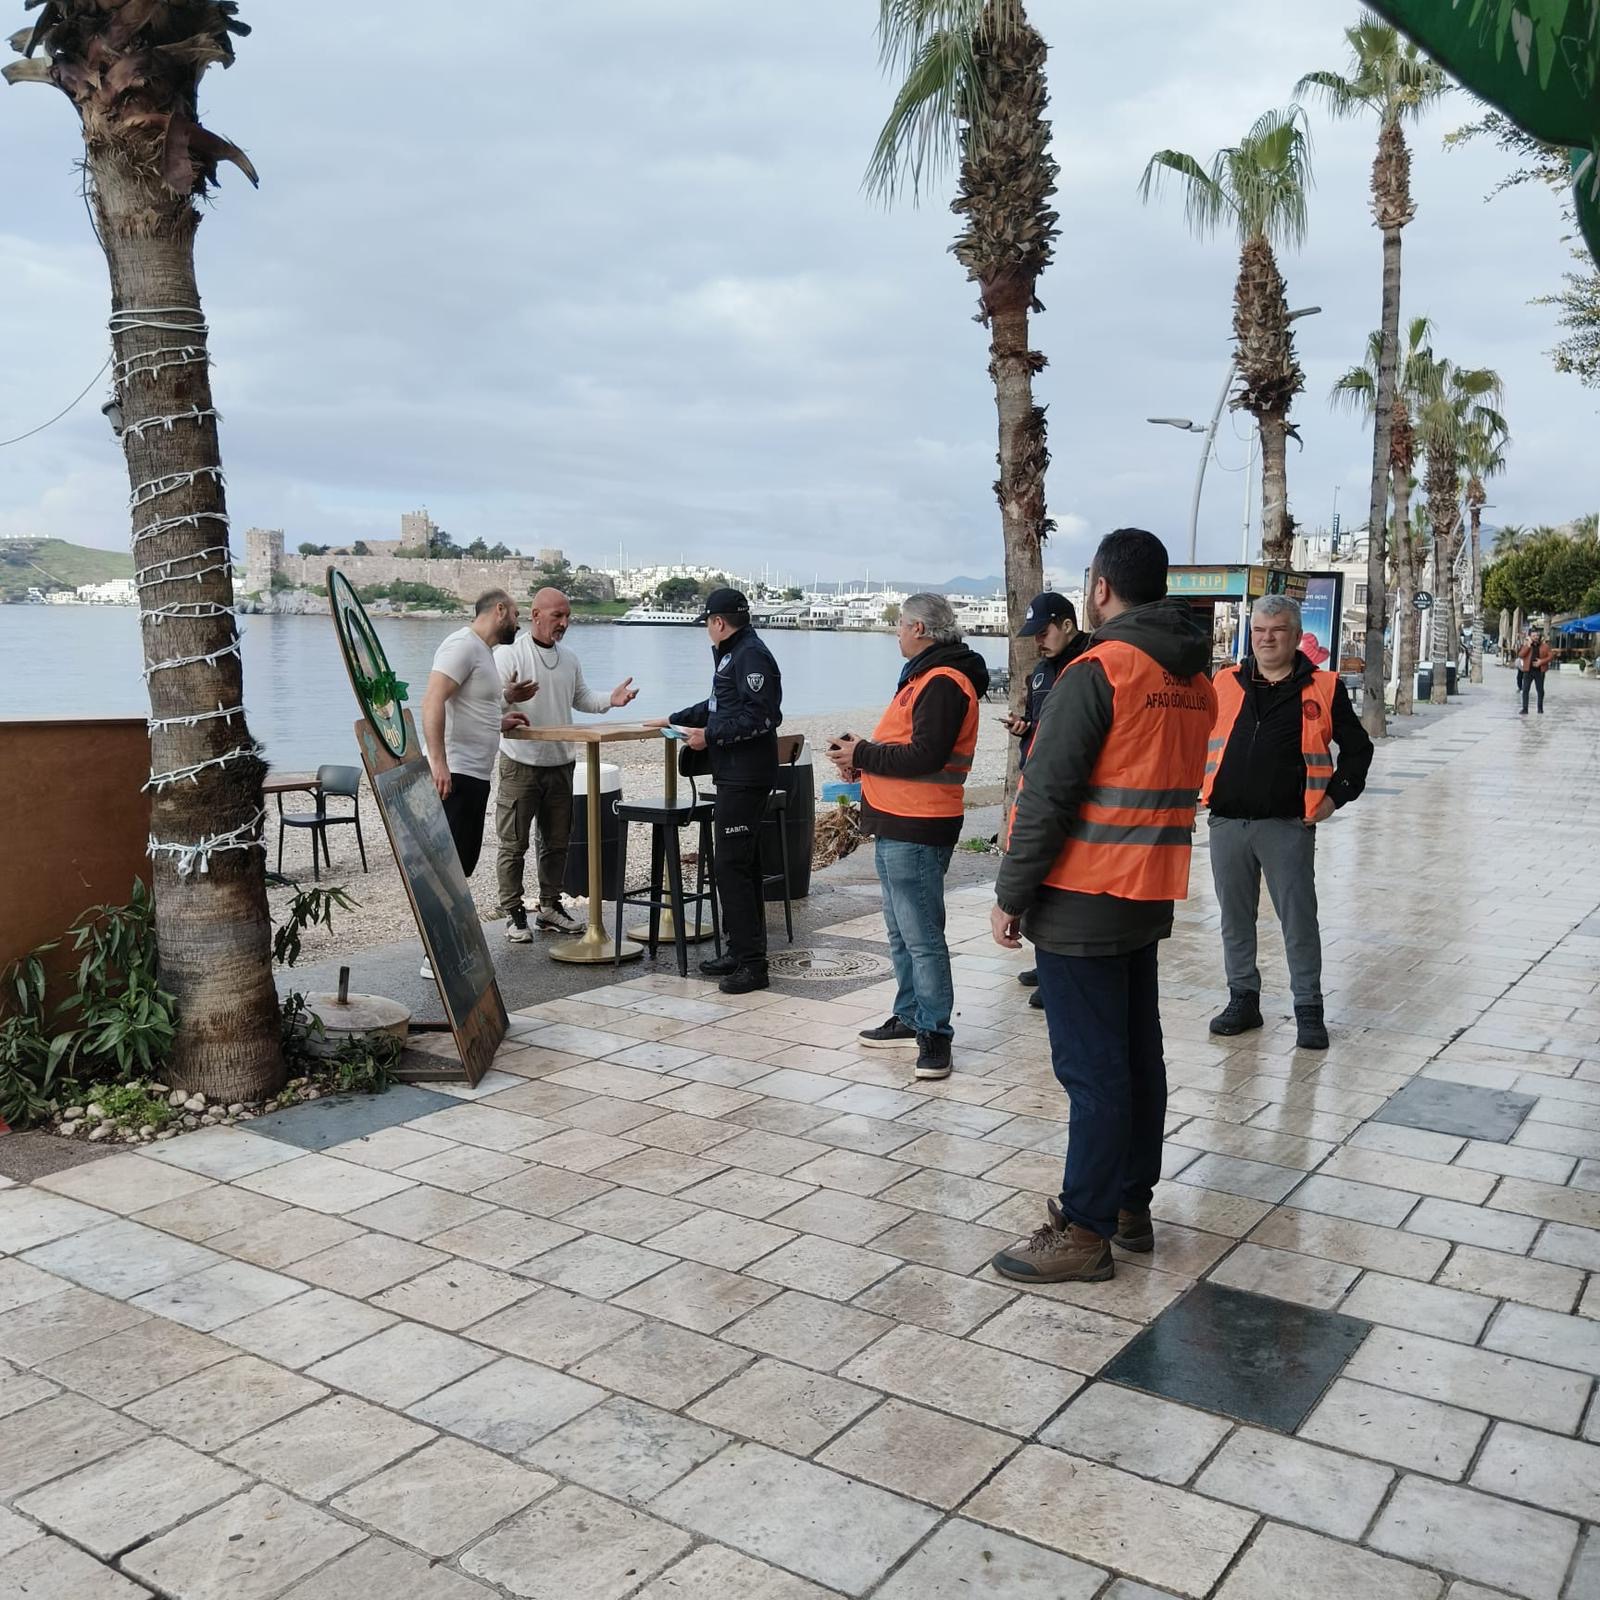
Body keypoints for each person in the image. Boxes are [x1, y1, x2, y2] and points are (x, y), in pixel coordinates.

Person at [987, 529, 1216, 1285]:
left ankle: (1084, 1229)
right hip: (1147, 889)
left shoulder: (1101, 670)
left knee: (1093, 1070)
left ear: (1100, 588)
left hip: (1083, 894)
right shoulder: (1193, 676)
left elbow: (1047, 795)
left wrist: (1011, 893)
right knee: (1135, 1055)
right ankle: (1128, 1204)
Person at [1203, 594, 1373, 1053]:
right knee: (1234, 919)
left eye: (1277, 630)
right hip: (1227, 824)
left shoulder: (1323, 687)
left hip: (1287, 826)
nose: (1267, 638)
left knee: (1298, 920)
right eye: (1259, 630)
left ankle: (1309, 1010)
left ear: (1297, 637)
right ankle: (1243, 999)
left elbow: (1359, 751)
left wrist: (1334, 799)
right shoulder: (1225, 682)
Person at [830, 594, 989, 1082]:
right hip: (896, 819)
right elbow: (906, 748)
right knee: (901, 932)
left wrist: (864, 754)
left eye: (899, 625)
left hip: (919, 824)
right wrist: (862, 757)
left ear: (920, 628)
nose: (895, 632)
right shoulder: (924, 677)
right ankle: (910, 1015)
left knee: (921, 935)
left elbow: (926, 756)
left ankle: (935, 1033)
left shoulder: (943, 681)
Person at [650, 588, 783, 995]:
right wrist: (672, 718)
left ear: (718, 622)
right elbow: (718, 706)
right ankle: (740, 948)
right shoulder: (733, 653)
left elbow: (763, 715)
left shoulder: (749, 655)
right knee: (738, 866)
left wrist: (709, 737)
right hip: (734, 774)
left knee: (731, 867)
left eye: (707, 623)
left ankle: (752, 965)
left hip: (746, 776)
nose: (707, 630)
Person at [494, 587, 639, 942]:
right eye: (557, 616)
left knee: (557, 842)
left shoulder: (569, 658)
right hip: (520, 761)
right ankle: (513, 912)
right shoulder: (509, 653)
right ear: (535, 615)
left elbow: (582, 697)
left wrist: (612, 700)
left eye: (567, 616)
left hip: (561, 763)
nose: (564, 623)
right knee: (514, 843)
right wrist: (506, 697)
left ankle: (549, 907)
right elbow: (484, 704)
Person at [421, 589, 534, 979]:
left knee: (463, 862)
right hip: (457, 773)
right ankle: (435, 954)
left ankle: (447, 946)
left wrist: (502, 711)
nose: (518, 624)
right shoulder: (461, 645)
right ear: (499, 609)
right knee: (448, 866)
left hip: (476, 773)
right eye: (516, 614)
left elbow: (471, 704)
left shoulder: (482, 653)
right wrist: (438, 763)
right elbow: (433, 700)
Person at [1001, 591, 1091, 1010]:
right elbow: (1043, 726)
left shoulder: (1091, 665)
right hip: (1036, 779)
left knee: (1062, 881)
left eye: (1044, 631)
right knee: (1038, 880)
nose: (1038, 640)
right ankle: (1044, 960)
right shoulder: (1040, 673)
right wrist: (1025, 729)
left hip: (1072, 791)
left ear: (1068, 624)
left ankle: (1056, 970)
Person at [1519, 626, 1552, 714]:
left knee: (1540, 690)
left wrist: (1541, 661)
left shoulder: (1544, 646)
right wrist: (1528, 646)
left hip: (1539, 671)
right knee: (1525, 689)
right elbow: (1521, 655)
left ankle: (1540, 708)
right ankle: (1525, 708)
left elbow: (1550, 656)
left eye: (1537, 635)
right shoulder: (1526, 645)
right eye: (1533, 636)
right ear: (1530, 637)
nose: (1536, 637)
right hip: (1528, 670)